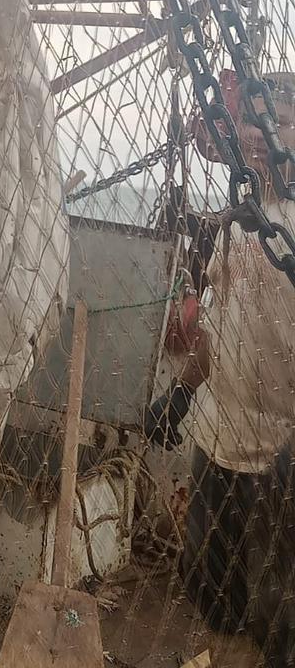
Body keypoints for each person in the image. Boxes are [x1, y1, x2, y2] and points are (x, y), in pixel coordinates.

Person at [144, 70, 295, 666]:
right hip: (219, 443)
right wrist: (180, 396)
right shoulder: (240, 217)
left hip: (281, 456)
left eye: (275, 122)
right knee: (217, 602)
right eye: (250, 122)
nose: (258, 136)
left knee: (279, 622)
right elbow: (216, 327)